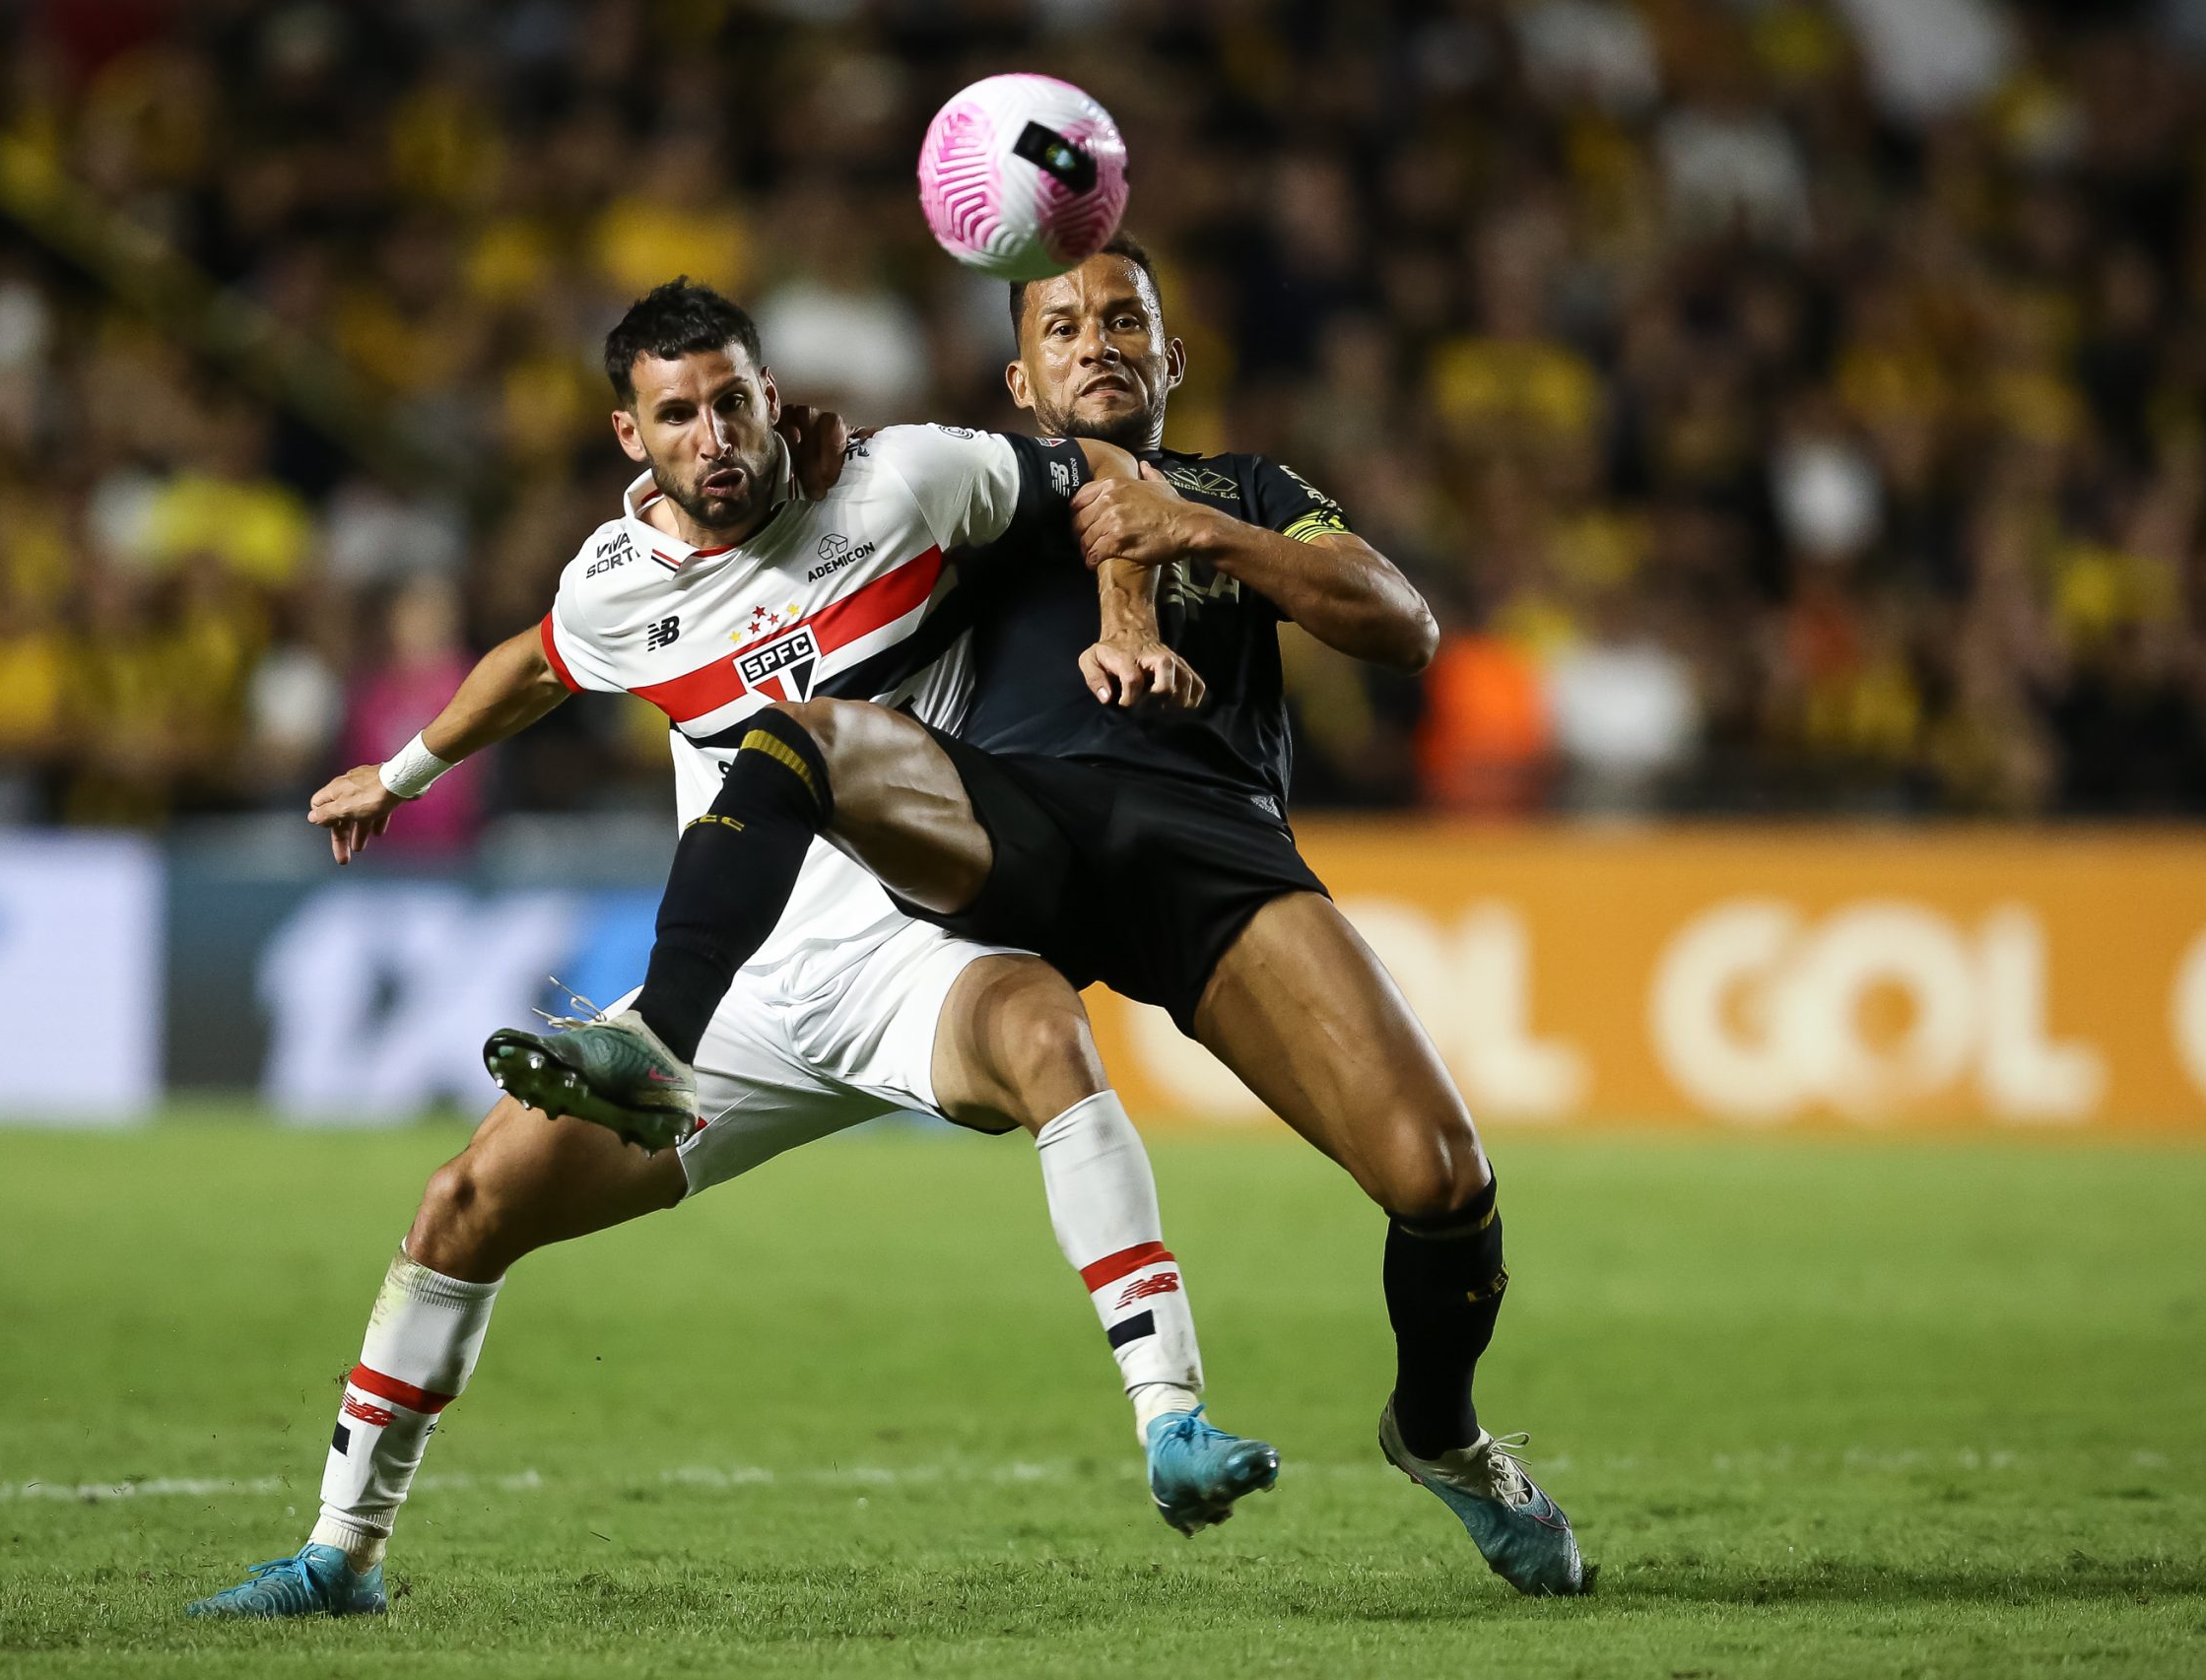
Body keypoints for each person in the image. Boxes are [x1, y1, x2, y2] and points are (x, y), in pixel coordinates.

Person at [513, 236, 1591, 1597]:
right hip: (1008, 830)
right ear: (1022, 374)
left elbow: (1402, 624)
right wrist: (799, 443)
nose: (1099, 342)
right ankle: (661, 1038)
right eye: (1064, 326)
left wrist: (1192, 529)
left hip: (1210, 863)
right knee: (807, 741)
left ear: (1172, 355)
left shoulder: (1247, 491)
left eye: (1125, 319)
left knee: (1442, 1179)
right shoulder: (976, 491)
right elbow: (789, 516)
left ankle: (1438, 1432)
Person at [183, 280, 1275, 1620]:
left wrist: (1128, 619)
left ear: (775, 397)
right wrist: (402, 770)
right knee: (459, 1210)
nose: (717, 437)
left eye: (735, 402)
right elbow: (536, 661)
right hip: (743, 995)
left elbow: (1102, 470)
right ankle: (341, 1553)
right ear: (630, 434)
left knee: (1047, 1035)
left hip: (918, 952)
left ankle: (1171, 1417)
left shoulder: (903, 484)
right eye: (681, 414)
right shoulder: (614, 580)